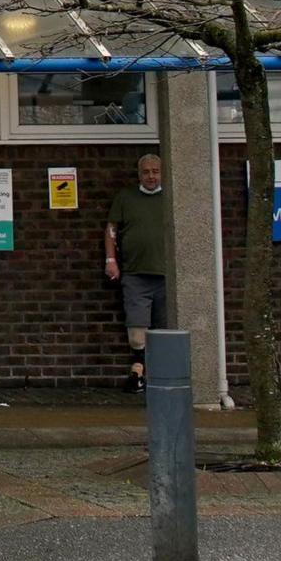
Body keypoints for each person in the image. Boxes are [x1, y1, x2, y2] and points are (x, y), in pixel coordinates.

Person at [103, 153, 169, 393]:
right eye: (146, 172)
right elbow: (111, 229)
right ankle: (138, 371)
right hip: (134, 273)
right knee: (137, 329)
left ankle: (158, 375)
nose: (151, 176)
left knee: (163, 328)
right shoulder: (126, 198)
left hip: (166, 274)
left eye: (155, 171)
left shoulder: (171, 198)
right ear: (139, 174)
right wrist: (111, 260)